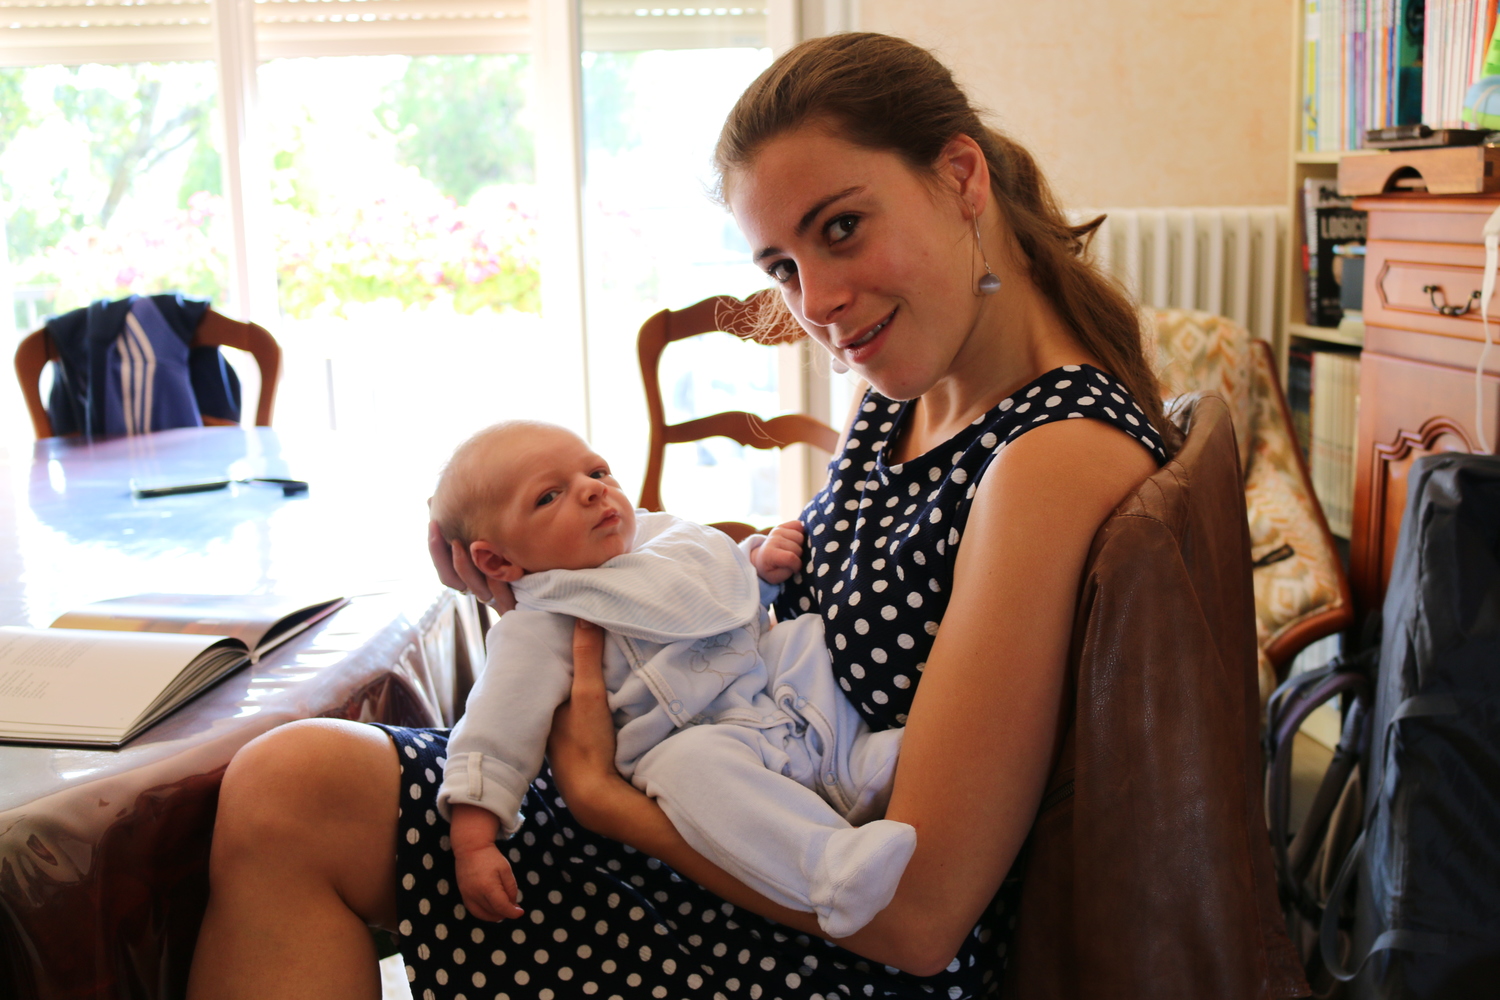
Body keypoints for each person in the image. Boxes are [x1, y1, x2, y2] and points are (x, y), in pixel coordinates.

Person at [187, 32, 1173, 1000]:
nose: (819, 302)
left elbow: (922, 916)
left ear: (960, 177)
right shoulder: (914, 387)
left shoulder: (1049, 457)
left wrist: (610, 803)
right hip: (742, 784)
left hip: (820, 923)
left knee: (290, 799)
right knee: (286, 780)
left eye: (841, 227)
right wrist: (560, 578)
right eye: (782, 267)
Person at [429, 420, 915, 939]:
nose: (592, 490)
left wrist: (756, 564)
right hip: (698, 741)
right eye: (549, 496)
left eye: (597, 472)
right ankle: (828, 866)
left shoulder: (659, 539)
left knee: (801, 638)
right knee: (687, 767)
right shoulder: (537, 626)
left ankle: (861, 765)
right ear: (496, 560)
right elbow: (494, 730)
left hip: (773, 696)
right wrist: (473, 843)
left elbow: (715, 586)